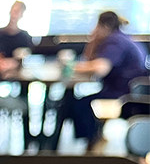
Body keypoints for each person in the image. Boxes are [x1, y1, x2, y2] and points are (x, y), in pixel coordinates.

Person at [58, 11, 148, 150]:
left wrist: (71, 66)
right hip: (132, 93)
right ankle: (95, 140)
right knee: (78, 103)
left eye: (96, 26)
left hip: (125, 95)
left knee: (79, 105)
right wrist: (93, 40)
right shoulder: (123, 37)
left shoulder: (115, 41)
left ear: (103, 26)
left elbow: (101, 68)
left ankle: (92, 143)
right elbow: (90, 59)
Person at [0, 1, 34, 76]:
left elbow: (25, 58)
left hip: (14, 76)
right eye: (14, 11)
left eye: (18, 12)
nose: (14, 15)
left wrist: (12, 63)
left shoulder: (25, 38)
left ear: (22, 15)